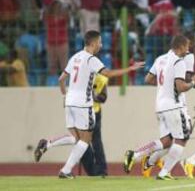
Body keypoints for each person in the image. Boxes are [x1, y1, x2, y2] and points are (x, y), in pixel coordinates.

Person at [34, 30, 144, 179]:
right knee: (86, 140)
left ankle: (48, 144)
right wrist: (130, 69)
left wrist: (64, 95)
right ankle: (65, 171)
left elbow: (61, 79)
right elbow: (108, 73)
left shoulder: (75, 57)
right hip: (83, 104)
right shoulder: (91, 59)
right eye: (99, 42)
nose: (101, 44)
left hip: (69, 102)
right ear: (93, 43)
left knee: (77, 139)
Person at [123, 35, 195, 180]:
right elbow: (181, 87)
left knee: (167, 141)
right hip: (174, 106)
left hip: (160, 105)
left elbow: (148, 79)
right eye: (187, 46)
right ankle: (164, 172)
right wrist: (194, 83)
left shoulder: (160, 59)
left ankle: (136, 154)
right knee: (183, 137)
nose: (188, 49)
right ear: (180, 47)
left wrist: (165, 86)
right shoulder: (179, 61)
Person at [81, 73, 109, 176]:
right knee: (89, 141)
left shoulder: (99, 79)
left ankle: (97, 169)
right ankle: (97, 170)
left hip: (91, 112)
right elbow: (104, 97)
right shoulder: (101, 78)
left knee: (88, 141)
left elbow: (103, 98)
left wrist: (94, 97)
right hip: (88, 112)